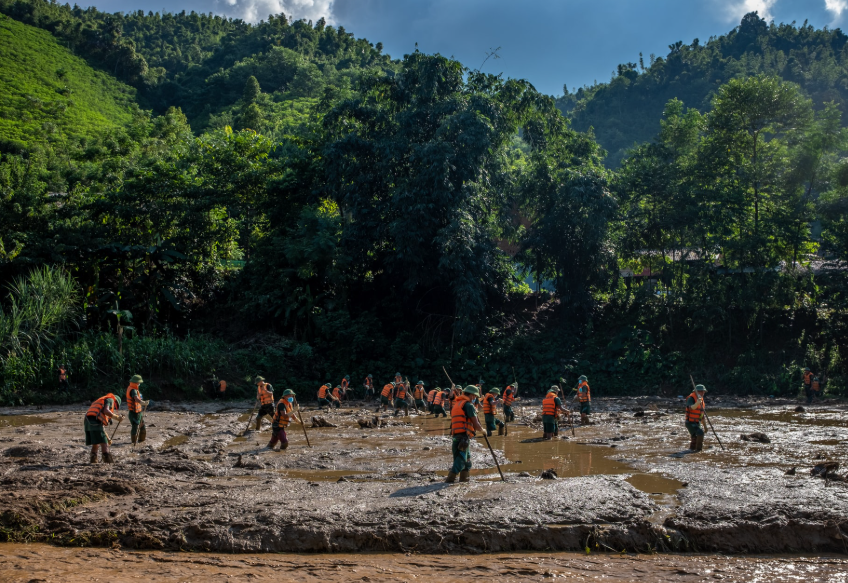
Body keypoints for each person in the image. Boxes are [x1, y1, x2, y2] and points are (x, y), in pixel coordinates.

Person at [446, 385, 484, 483]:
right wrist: (482, 430)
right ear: (471, 395)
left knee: (467, 462)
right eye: (475, 396)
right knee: (461, 460)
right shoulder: (468, 405)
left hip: (456, 436)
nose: (475, 399)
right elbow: (476, 424)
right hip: (463, 437)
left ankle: (464, 480)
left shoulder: (457, 404)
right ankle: (450, 479)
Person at [85, 393, 123, 463]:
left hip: (87, 421)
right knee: (104, 444)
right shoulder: (110, 399)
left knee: (95, 444)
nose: (113, 407)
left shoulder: (101, 401)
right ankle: (108, 462)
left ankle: (93, 462)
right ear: (116, 402)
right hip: (94, 422)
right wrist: (117, 417)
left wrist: (108, 438)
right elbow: (106, 411)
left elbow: (101, 428)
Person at [125, 374, 150, 446]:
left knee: (142, 425)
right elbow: (136, 398)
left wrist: (143, 402)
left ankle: (142, 441)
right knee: (135, 427)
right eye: (139, 383)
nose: (139, 384)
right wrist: (143, 403)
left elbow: (138, 398)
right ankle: (134, 442)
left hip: (139, 412)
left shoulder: (134, 389)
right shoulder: (133, 390)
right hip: (134, 413)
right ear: (136, 382)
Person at [685, 384, 708, 452]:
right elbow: (691, 408)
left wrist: (705, 426)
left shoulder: (701, 400)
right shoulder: (691, 398)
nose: (703, 393)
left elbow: (701, 415)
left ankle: (692, 449)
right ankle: (698, 450)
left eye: (703, 392)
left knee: (695, 437)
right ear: (697, 392)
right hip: (690, 422)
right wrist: (697, 403)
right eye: (701, 391)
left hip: (697, 422)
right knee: (700, 433)